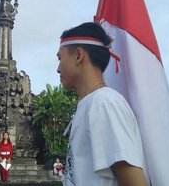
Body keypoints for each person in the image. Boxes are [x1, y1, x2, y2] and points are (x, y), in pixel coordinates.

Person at [57, 22, 149, 186]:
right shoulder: (90, 105)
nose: (58, 68)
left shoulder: (104, 104)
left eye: (60, 58)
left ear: (78, 55)